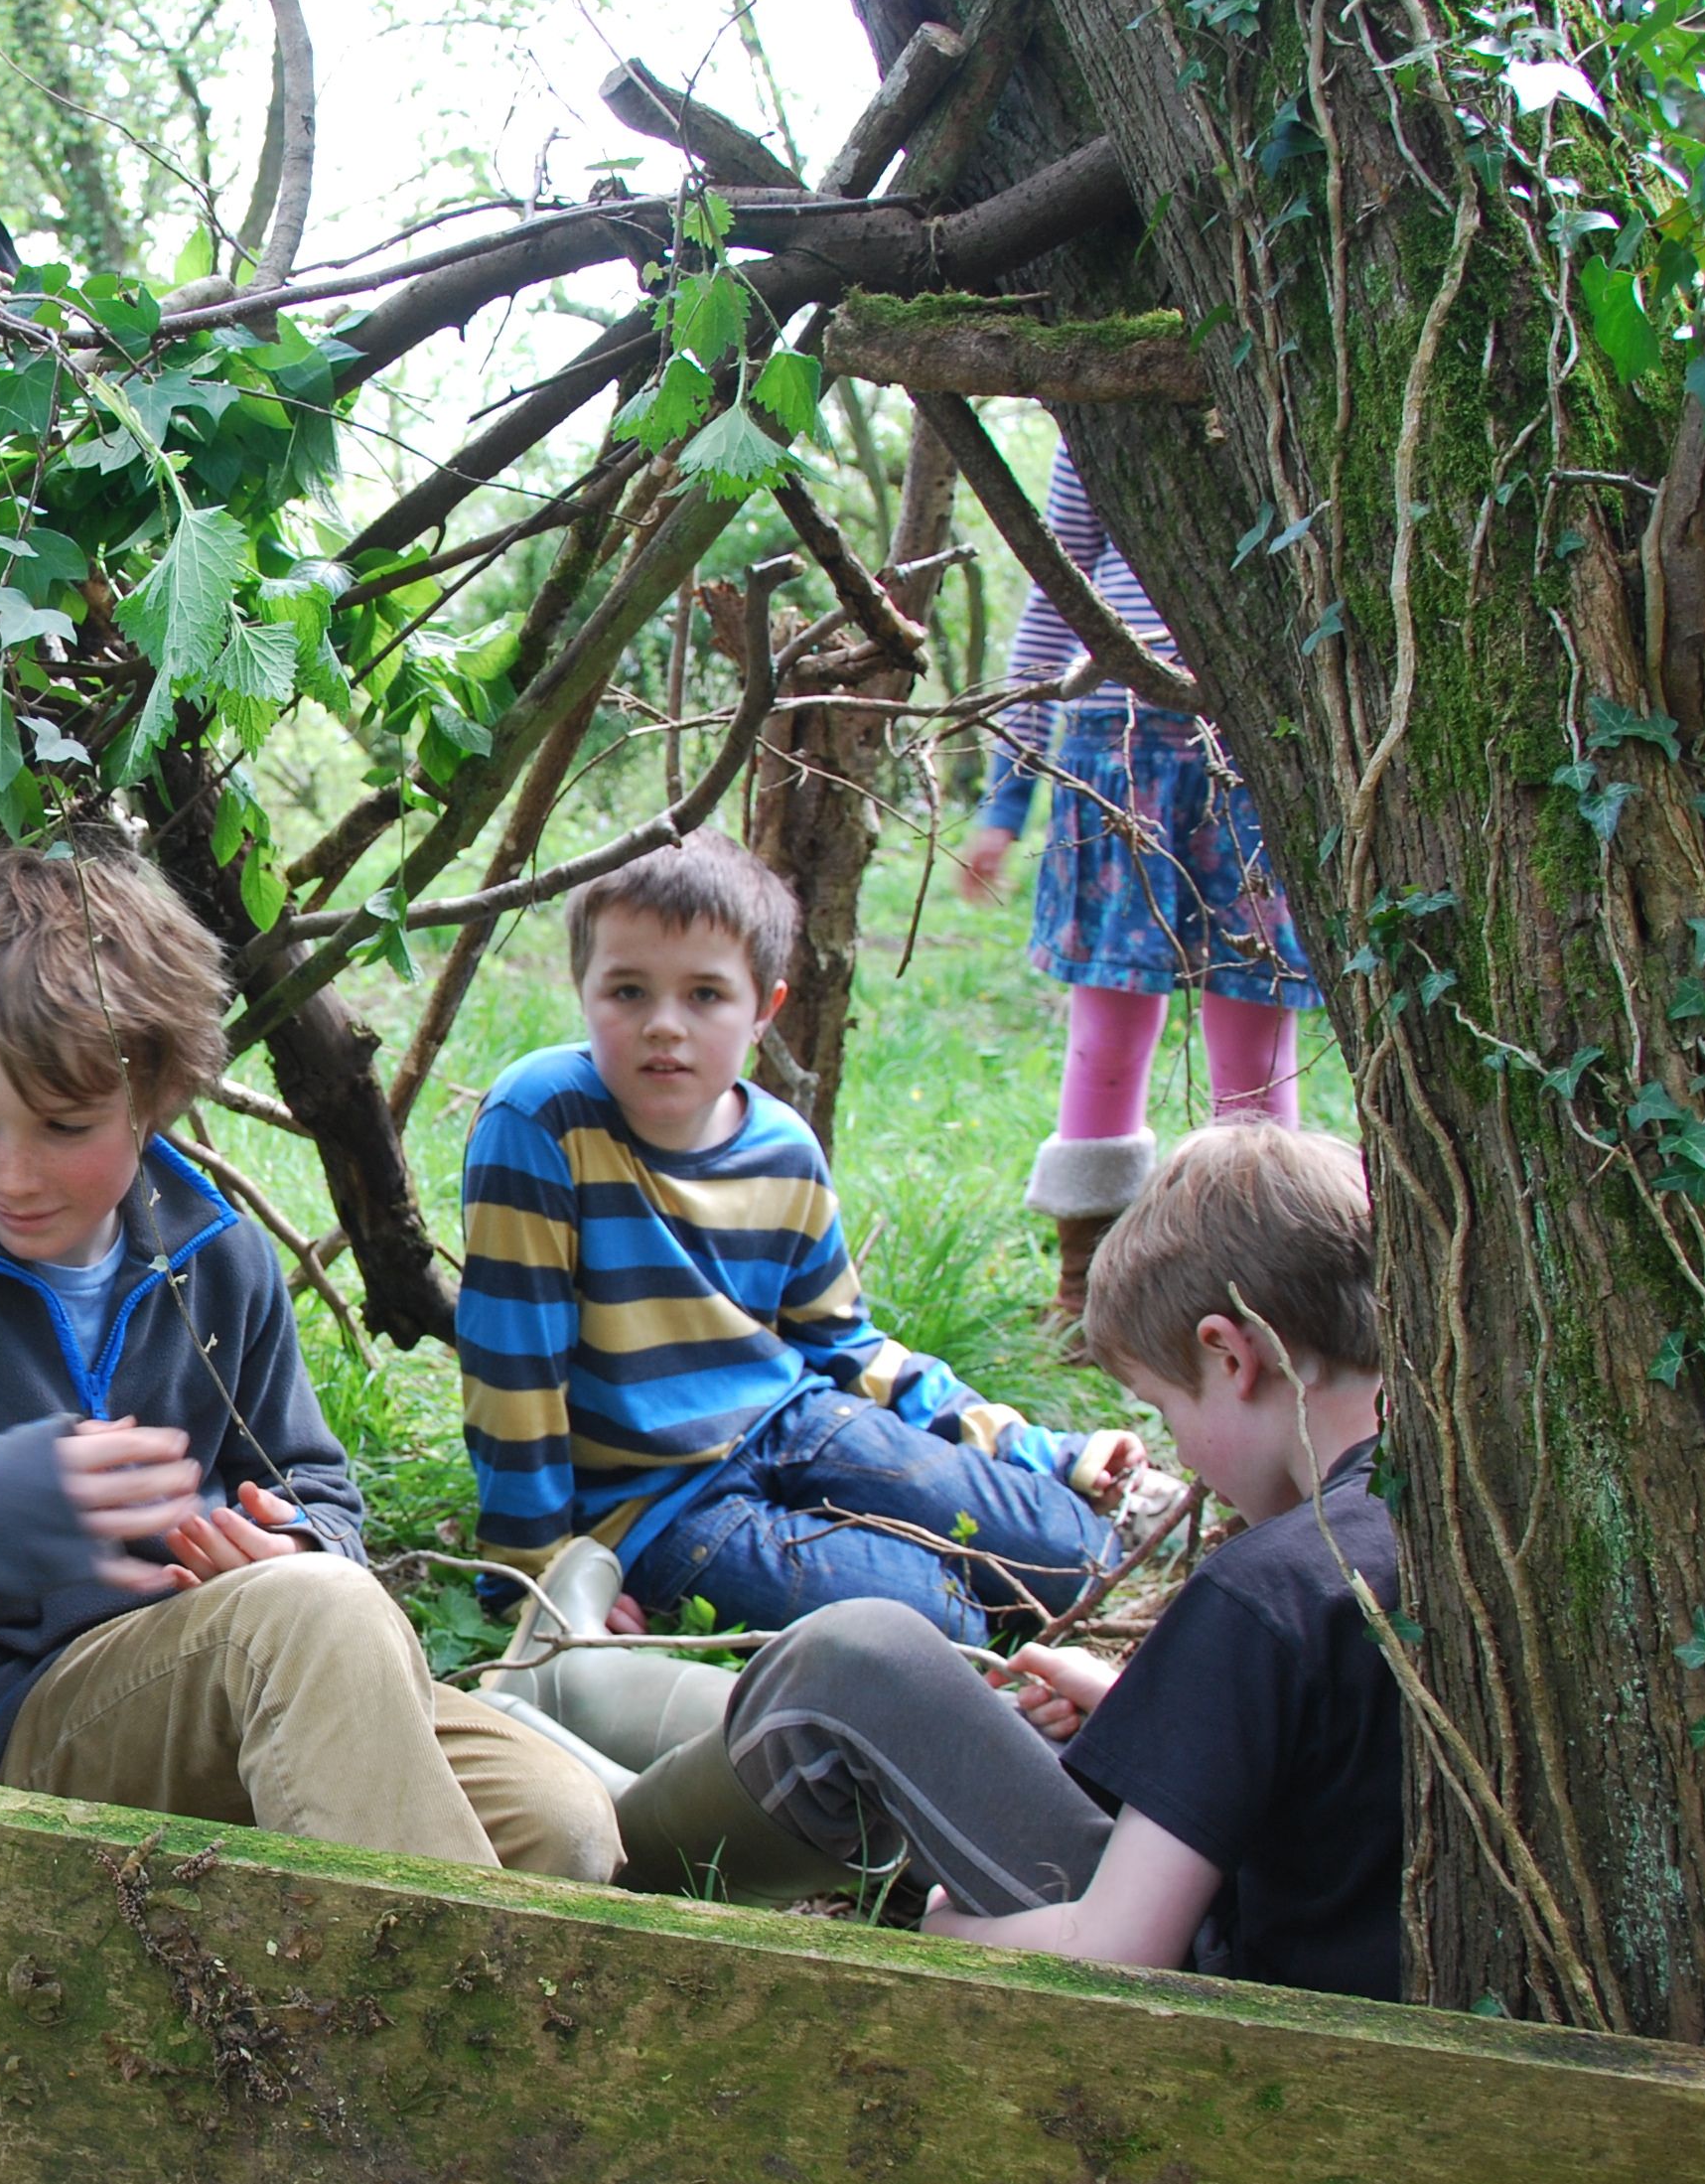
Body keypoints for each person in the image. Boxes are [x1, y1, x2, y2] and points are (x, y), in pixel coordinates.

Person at [0, 844, 620, 1882]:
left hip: (230, 1670)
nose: (11, 1174)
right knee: (311, 1620)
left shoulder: (217, 1258)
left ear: (153, 1098)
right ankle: (402, 2022)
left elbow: (311, 1484)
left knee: (558, 1823)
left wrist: (293, 1543)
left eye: (64, 1127)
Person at [601, 1123, 1408, 2003]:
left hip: (1220, 2009)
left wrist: (950, 1932)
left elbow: (1116, 1953)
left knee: (854, 1666)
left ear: (1230, 1354)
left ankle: (581, 1852)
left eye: (1164, 1407)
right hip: (1292, 1955)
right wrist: (1160, 1716)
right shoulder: (1436, 1523)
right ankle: (572, 1747)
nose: (1178, 1447)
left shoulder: (1266, 1588)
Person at [459, 835, 1140, 1647]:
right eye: (628, 991)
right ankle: (915, 1589)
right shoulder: (540, 1120)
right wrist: (535, 1567)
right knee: (939, 1624)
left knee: (1077, 1554)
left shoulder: (782, 1145)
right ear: (583, 991)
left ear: (765, 1010)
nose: (663, 1026)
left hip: (795, 1422)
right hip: (653, 1500)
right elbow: (514, 1364)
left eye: (706, 994)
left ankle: (939, 1550)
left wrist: (1040, 1452)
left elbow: (846, 1346)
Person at [965, 442, 1322, 1329]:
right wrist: (1006, 795)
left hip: (1255, 747)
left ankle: (1261, 1278)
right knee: (1111, 1029)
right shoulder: (1090, 418)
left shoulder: (1279, 387)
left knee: (1253, 1033)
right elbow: (1056, 595)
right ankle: (1091, 1288)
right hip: (1113, 748)